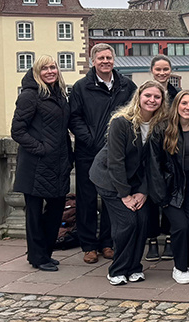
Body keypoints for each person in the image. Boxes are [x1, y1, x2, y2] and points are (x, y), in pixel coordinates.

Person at [89, 80, 166, 285]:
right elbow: (116, 161)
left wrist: (143, 192)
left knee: (142, 221)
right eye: (147, 95)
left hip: (136, 181)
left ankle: (134, 267)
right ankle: (117, 269)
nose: (152, 100)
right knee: (127, 222)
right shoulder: (121, 122)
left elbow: (153, 162)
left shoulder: (159, 125)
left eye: (157, 97)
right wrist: (125, 195)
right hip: (109, 179)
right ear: (139, 97)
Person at [68, 43, 137, 264]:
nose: (105, 61)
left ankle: (107, 243)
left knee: (112, 198)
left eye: (108, 58)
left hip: (116, 154)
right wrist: (90, 140)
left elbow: (135, 113)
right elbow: (74, 118)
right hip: (88, 152)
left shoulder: (126, 86)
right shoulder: (81, 87)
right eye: (100, 58)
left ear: (113, 60)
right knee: (87, 199)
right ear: (93, 61)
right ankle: (88, 245)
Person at [11, 55, 73, 272]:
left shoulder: (59, 95)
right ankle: (38, 257)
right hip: (36, 165)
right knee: (35, 214)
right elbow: (17, 130)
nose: (50, 71)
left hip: (58, 164)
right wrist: (42, 149)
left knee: (56, 211)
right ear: (37, 72)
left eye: (53, 67)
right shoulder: (29, 96)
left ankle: (44, 253)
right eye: (45, 68)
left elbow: (62, 129)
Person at [148, 90, 189, 284]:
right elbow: (154, 164)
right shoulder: (162, 129)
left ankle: (186, 261)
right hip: (171, 189)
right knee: (180, 227)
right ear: (176, 105)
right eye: (184, 103)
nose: (188, 107)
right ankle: (180, 267)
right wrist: (160, 195)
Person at [145, 55, 179, 261]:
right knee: (150, 197)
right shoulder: (146, 91)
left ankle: (168, 238)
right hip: (148, 148)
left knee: (168, 195)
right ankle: (151, 241)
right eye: (158, 69)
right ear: (152, 70)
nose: (162, 73)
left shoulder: (175, 94)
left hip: (169, 148)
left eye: (166, 69)